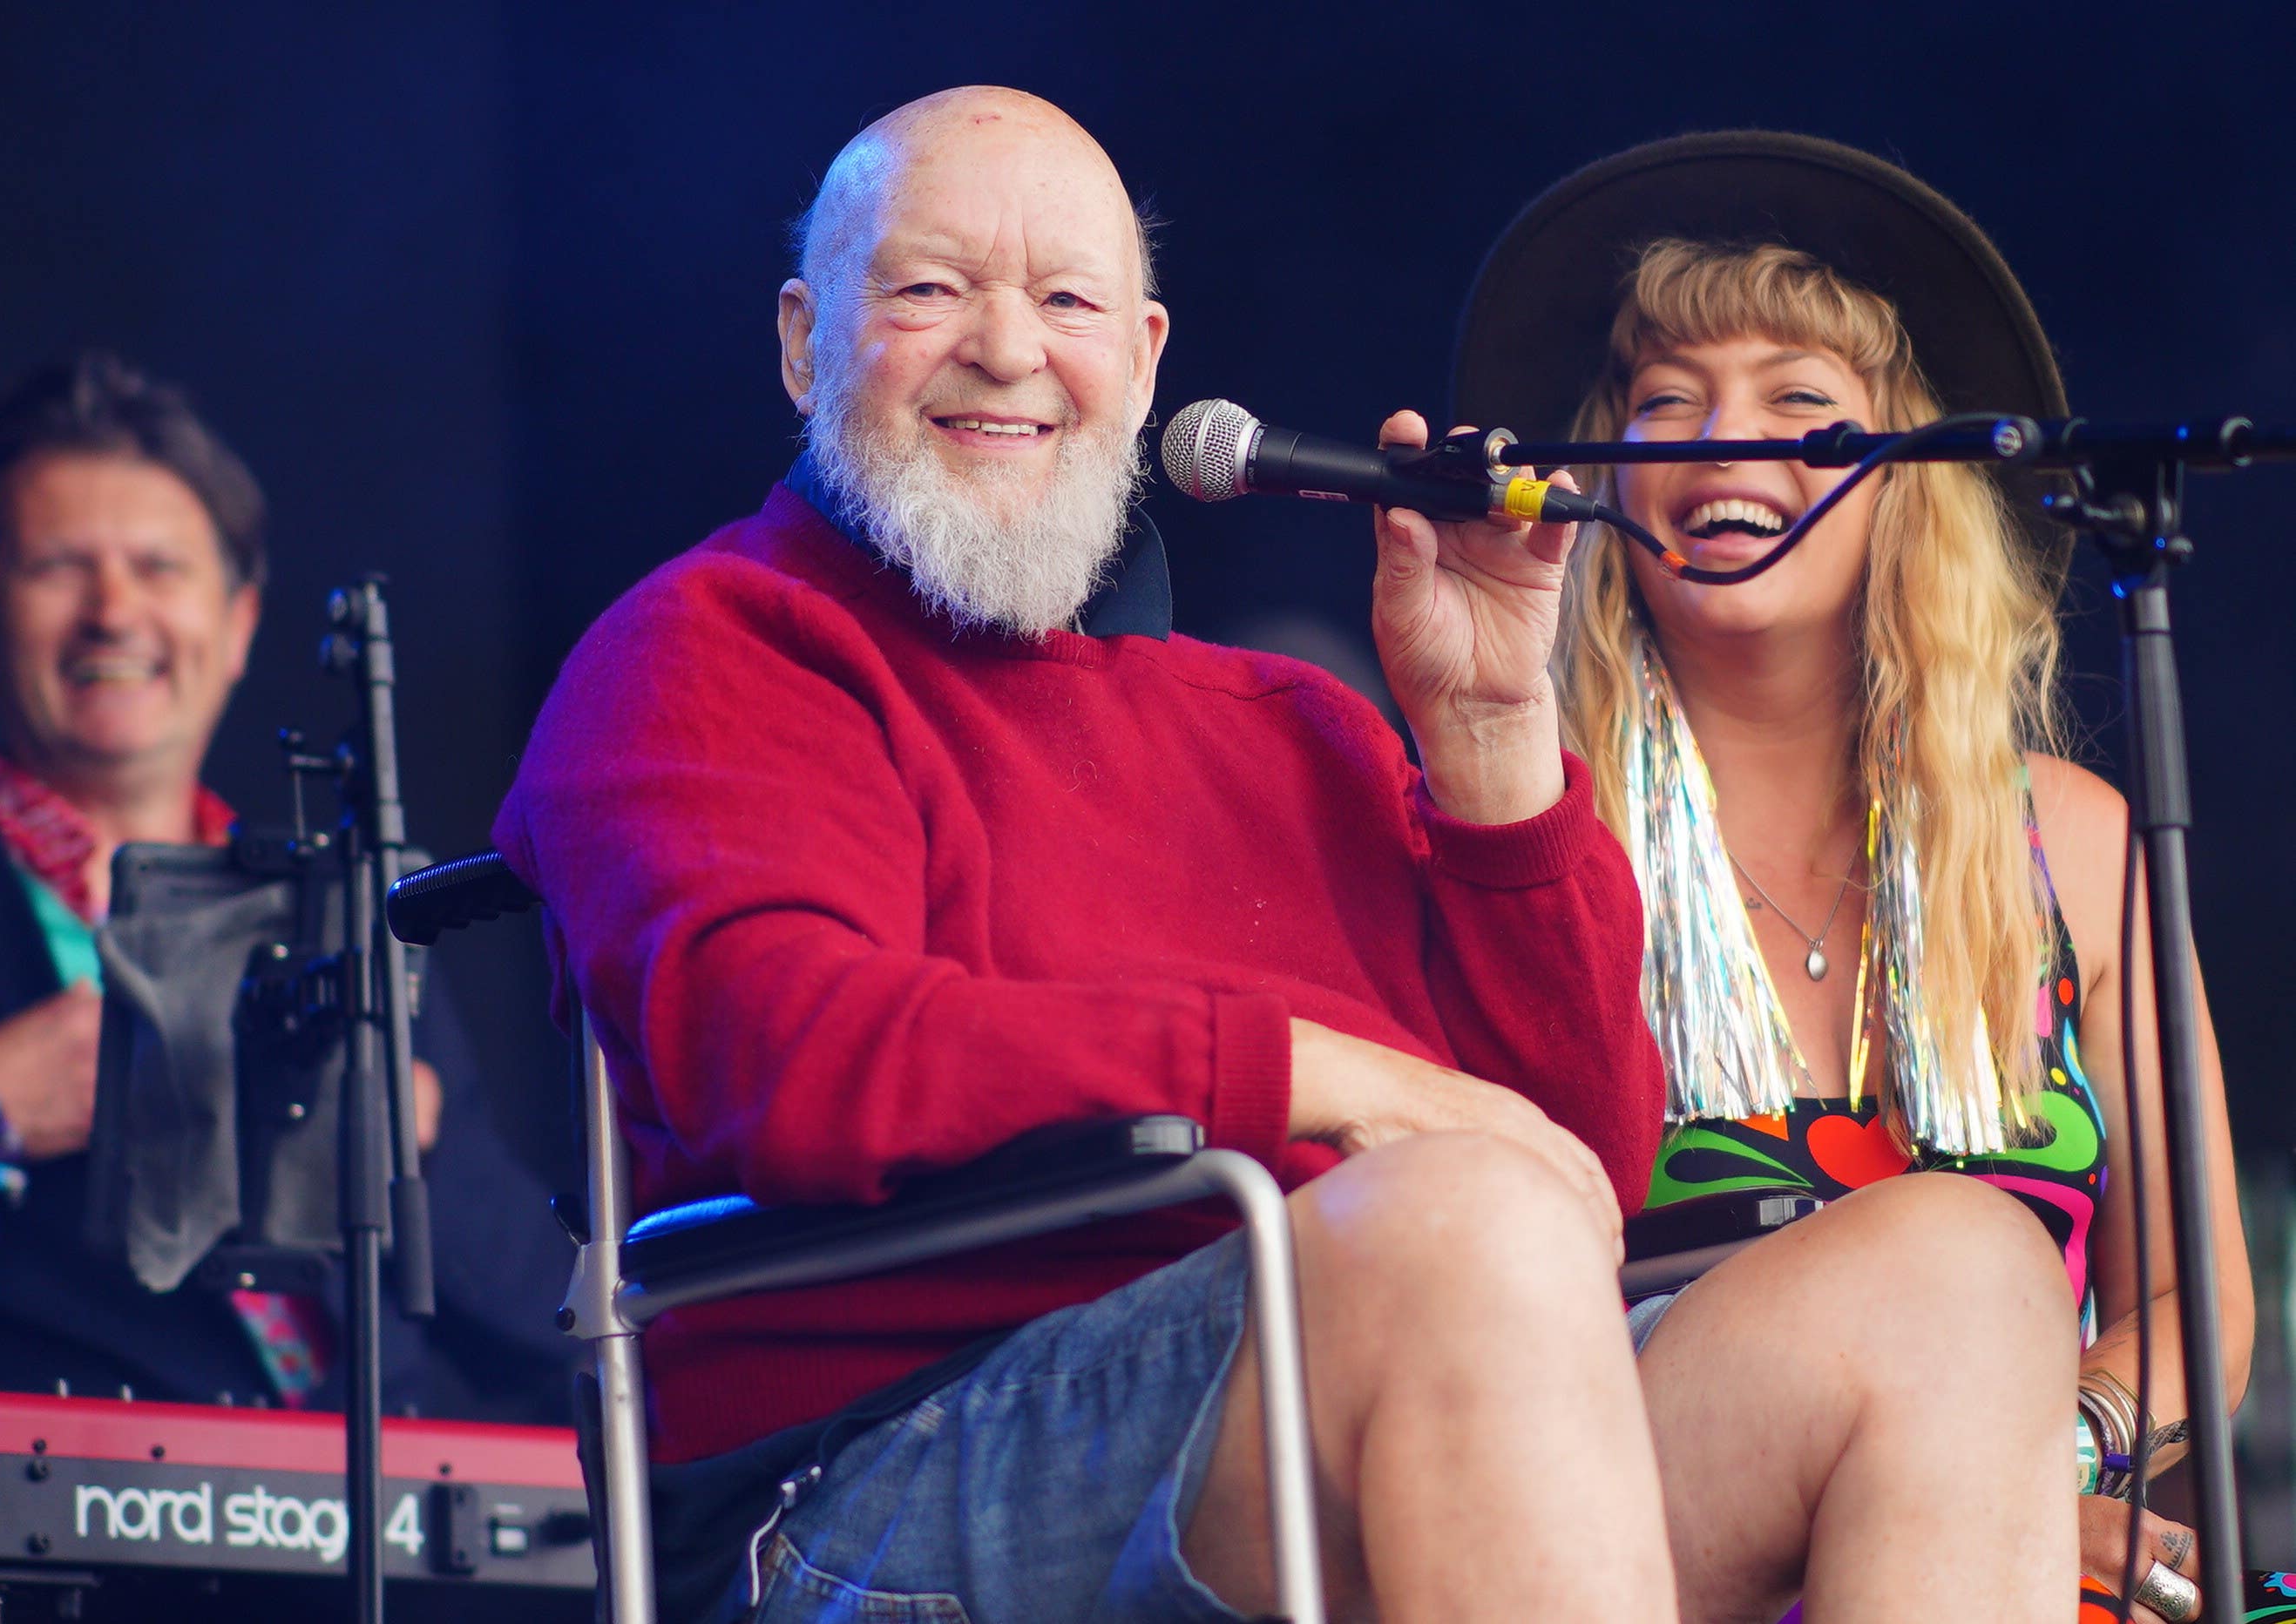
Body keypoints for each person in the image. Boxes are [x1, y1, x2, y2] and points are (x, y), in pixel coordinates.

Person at [500, 91, 2086, 1621]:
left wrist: (1489, 739)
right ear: (802, 339)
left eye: (1066, 297)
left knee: (1959, 1271)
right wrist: (1318, 1073)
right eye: (930, 288)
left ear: (1142, 358)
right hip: (882, 1474)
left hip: (1378, 1392)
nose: (1006, 346)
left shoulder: (1292, 724)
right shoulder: (718, 648)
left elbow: (1583, 1163)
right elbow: (786, 1052)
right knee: (1464, 1222)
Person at [1454, 132, 2254, 1622]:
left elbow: (2194, 1306)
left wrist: (2037, 1460)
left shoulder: (2071, 840)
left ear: (1909, 485)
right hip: (1630, 1515)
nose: (1720, 445)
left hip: (2012, 1536)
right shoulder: (1517, 823)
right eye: (1668, 407)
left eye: (1800, 410)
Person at [0, 350, 571, 1424]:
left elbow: (554, 1329)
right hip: (55, 1559)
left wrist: (418, 1141)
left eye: (159, 566)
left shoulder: (356, 921)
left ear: (237, 626)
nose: (113, 610)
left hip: (358, 1558)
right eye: (59, 564)